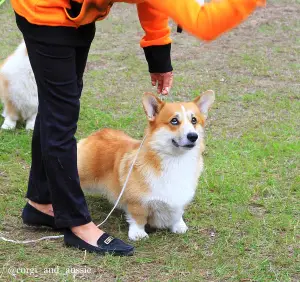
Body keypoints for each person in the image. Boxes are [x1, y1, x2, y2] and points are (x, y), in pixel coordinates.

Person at [11, 0, 266, 256]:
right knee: (61, 115)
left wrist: (158, 52)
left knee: (59, 106)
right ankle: (77, 224)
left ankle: (40, 201)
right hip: (46, 11)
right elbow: (205, 22)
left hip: (79, 14)